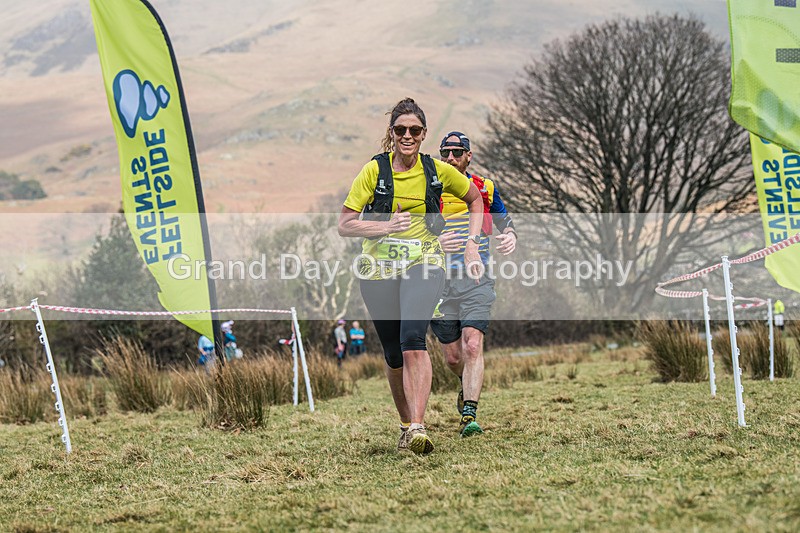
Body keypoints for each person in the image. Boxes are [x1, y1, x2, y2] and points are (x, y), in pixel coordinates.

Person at [338, 97, 484, 455]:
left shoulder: (435, 171)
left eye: (414, 130)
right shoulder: (374, 172)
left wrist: (471, 244)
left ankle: (419, 426)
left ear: (423, 134)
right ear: (392, 133)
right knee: (392, 353)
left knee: (412, 336)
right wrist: (386, 225)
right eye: (401, 129)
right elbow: (344, 224)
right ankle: (405, 426)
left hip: (425, 262)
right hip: (379, 269)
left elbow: (475, 199)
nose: (407, 135)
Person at [431, 130, 517, 438]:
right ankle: (463, 382)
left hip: (476, 280)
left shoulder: (485, 188)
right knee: (454, 357)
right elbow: (413, 232)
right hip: (438, 283)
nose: (451, 158)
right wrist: (435, 239)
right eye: (445, 153)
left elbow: (505, 222)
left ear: (469, 155)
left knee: (472, 344)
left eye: (457, 152)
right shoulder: (430, 189)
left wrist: (510, 236)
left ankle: (470, 413)